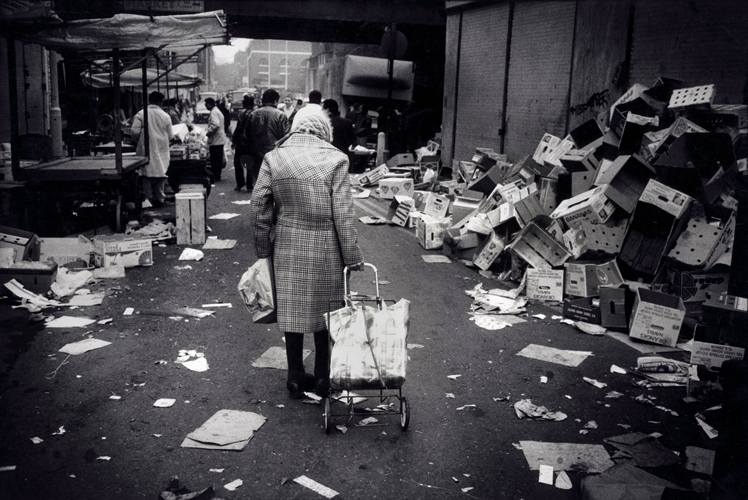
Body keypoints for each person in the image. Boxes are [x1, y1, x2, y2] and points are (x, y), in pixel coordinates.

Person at [249, 107, 364, 399]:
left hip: (286, 243)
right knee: (327, 313)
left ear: (296, 126)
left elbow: (258, 204)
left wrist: (264, 249)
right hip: (327, 248)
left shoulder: (274, 157)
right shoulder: (336, 159)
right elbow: (343, 214)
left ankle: (295, 377)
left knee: (292, 311)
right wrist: (352, 257)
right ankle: (324, 378)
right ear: (325, 130)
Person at [130, 91, 173, 208]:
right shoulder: (165, 115)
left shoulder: (141, 114)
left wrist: (138, 139)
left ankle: (148, 198)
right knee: (161, 172)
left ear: (149, 100)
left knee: (146, 174)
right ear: (161, 101)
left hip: (145, 147)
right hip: (162, 148)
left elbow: (134, 132)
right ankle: (160, 197)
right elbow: (170, 135)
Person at [243, 89, 290, 189]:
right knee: (274, 187)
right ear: (275, 101)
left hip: (256, 156)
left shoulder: (253, 114)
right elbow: (286, 138)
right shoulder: (280, 115)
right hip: (275, 156)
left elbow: (246, 137)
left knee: (259, 187)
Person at [231, 94, 254, 191]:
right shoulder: (242, 113)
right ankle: (241, 183)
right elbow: (238, 129)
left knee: (248, 164)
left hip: (249, 143)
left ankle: (248, 184)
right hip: (241, 142)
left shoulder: (255, 114)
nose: (243, 103)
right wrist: (234, 141)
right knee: (238, 163)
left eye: (244, 102)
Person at [322, 98, 355, 164]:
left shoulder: (323, 122)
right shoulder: (347, 122)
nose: (321, 111)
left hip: (327, 157)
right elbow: (352, 139)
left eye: (323, 109)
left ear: (328, 110)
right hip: (343, 154)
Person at [204, 97, 227, 181]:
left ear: (210, 104)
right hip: (218, 139)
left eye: (206, 104)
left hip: (216, 139)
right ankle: (217, 175)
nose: (205, 106)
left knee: (215, 159)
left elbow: (215, 124)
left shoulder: (214, 112)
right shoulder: (216, 111)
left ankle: (216, 176)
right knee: (217, 158)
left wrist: (208, 132)